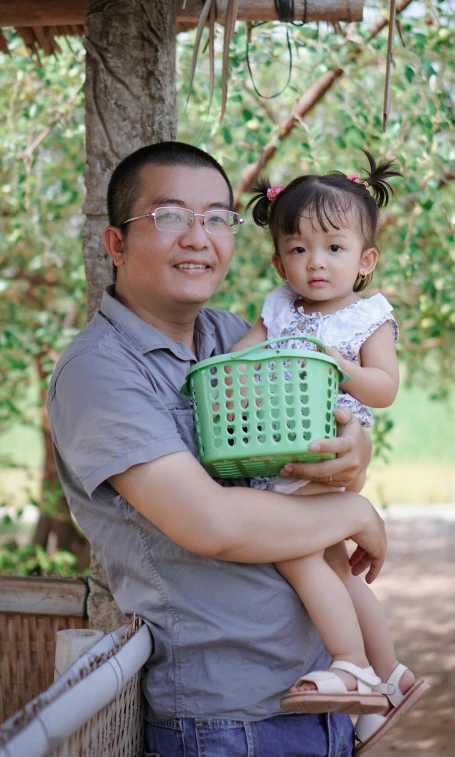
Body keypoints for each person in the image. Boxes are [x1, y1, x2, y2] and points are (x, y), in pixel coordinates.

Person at [48, 142, 387, 757]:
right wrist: (356, 515)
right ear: (116, 244)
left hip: (320, 694)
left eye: (218, 218)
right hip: (228, 721)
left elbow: (320, 452)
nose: (199, 237)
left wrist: (351, 448)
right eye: (171, 216)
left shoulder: (240, 335)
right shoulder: (98, 373)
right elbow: (211, 523)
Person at [229, 153, 428, 751]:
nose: (315, 262)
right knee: (338, 571)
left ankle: (349, 664)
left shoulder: (367, 317)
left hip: (325, 454)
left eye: (334, 248)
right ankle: (390, 676)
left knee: (296, 558)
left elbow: (385, 389)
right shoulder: (278, 310)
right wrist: (230, 379)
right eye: (298, 249)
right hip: (279, 452)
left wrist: (341, 369)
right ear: (278, 259)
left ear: (364, 261)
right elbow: (235, 364)